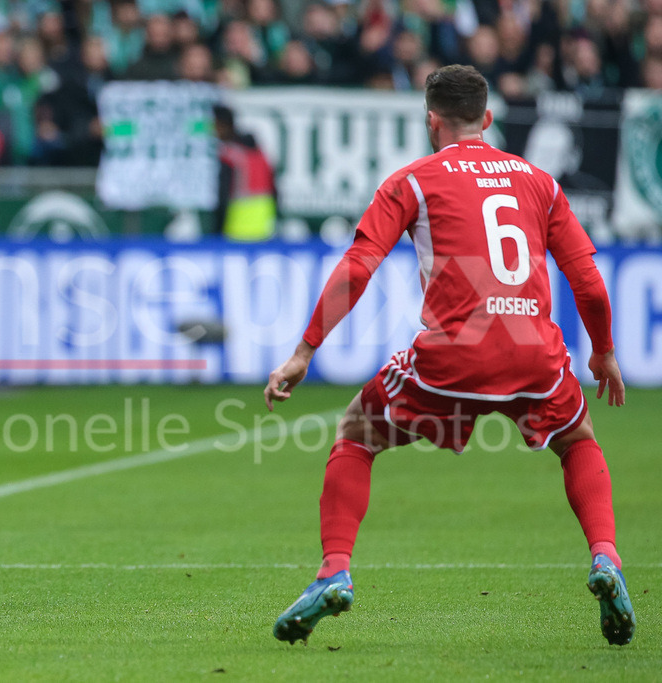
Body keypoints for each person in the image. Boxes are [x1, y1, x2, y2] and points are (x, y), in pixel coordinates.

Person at [263, 64, 635, 646]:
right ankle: (606, 558)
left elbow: (358, 267)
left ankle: (334, 570)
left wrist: (304, 351)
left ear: (431, 120)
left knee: (356, 433)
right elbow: (586, 279)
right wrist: (604, 352)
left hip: (453, 357)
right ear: (487, 118)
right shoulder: (540, 182)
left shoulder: (413, 180)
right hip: (534, 356)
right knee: (577, 439)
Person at [213, 104, 277, 241]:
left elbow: (223, 192)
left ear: (223, 125)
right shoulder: (257, 149)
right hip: (264, 216)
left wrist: (218, 227)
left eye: (214, 125)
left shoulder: (229, 154)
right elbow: (273, 183)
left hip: (238, 219)